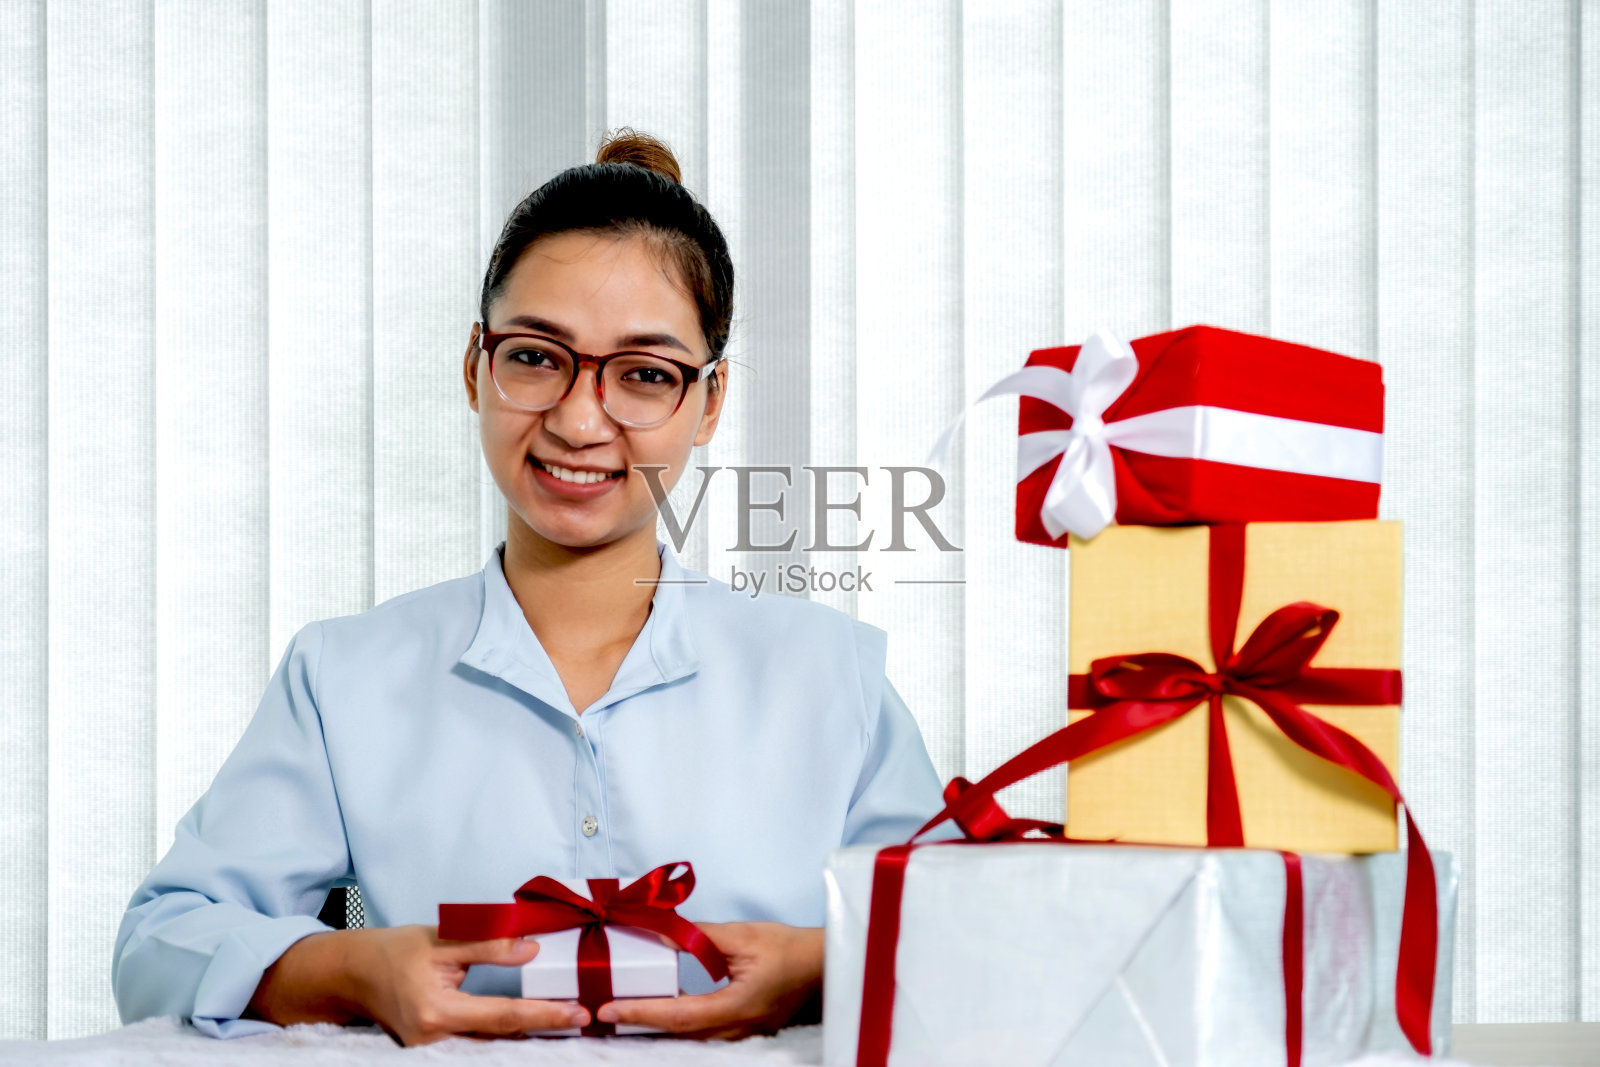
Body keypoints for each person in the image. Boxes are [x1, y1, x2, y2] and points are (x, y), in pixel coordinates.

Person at [113, 130, 946, 1045]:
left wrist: (822, 961)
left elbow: (972, 940)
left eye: (644, 375)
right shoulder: (344, 676)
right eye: (537, 356)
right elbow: (159, 944)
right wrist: (356, 967)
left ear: (708, 403)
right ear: (477, 365)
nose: (581, 419)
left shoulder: (833, 675)